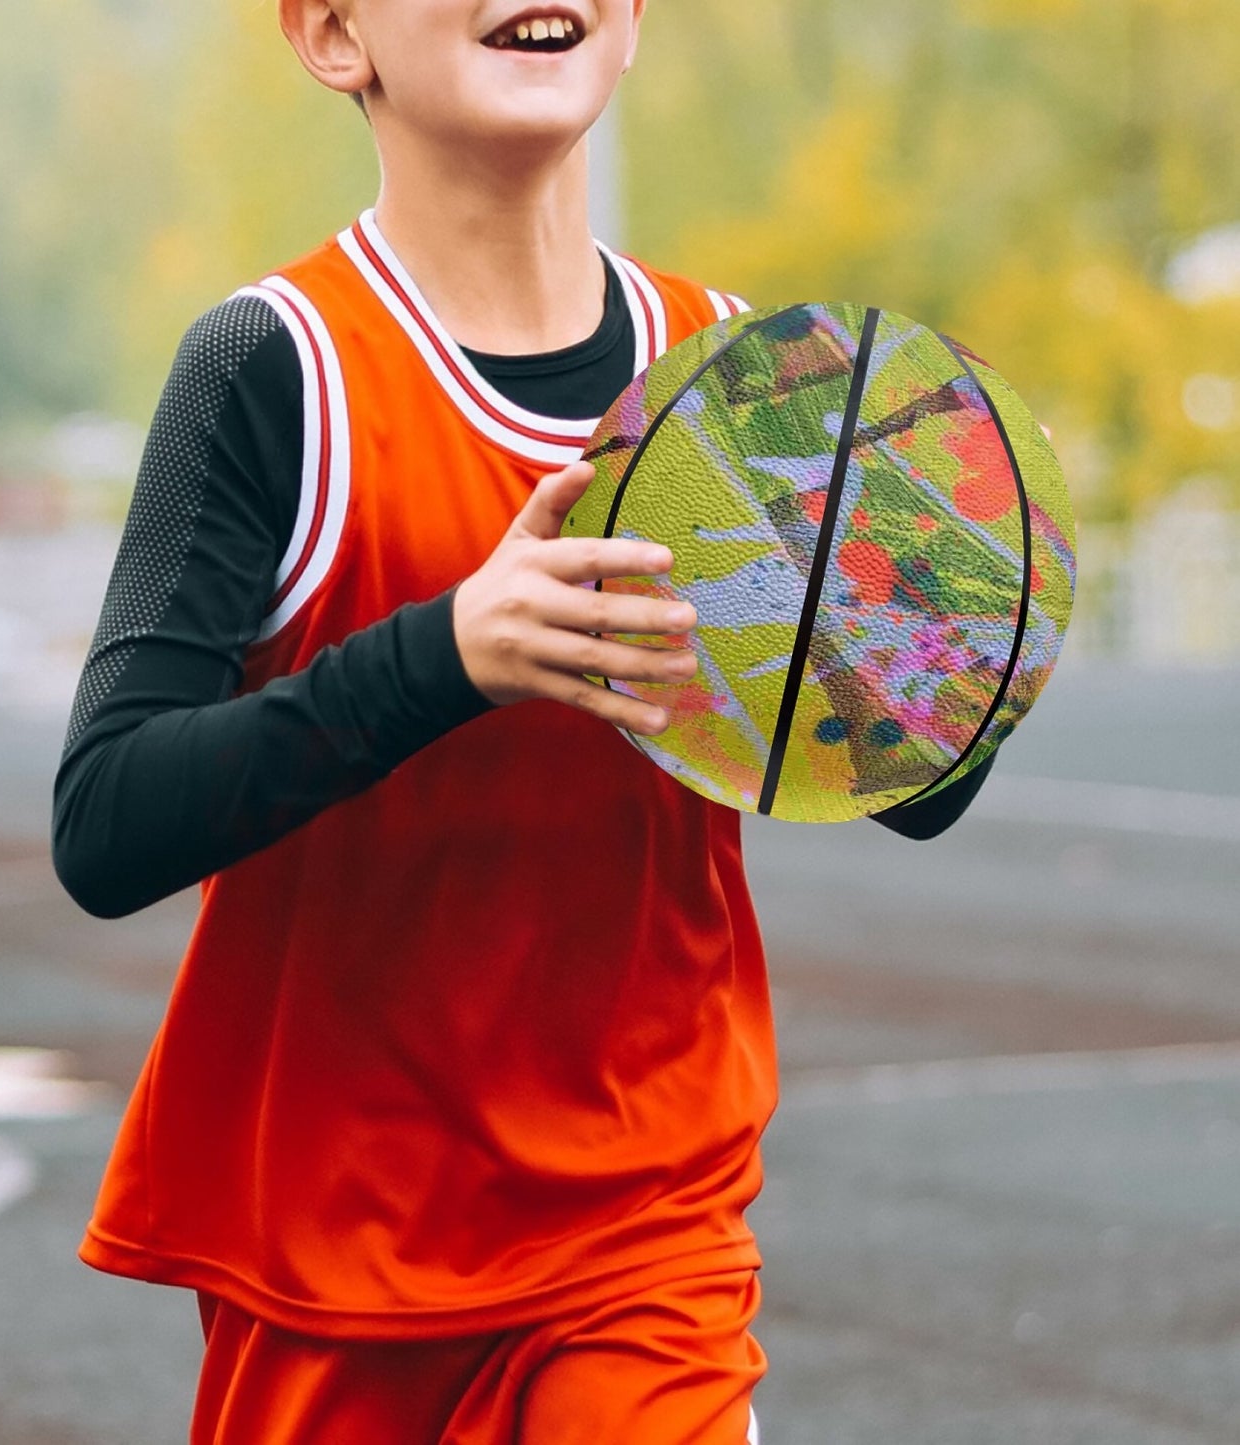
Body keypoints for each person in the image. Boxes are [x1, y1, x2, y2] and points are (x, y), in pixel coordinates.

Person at [52, 2, 997, 1440]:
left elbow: (917, 785)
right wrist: (446, 653)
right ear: (329, 35)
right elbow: (106, 821)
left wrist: (952, 625)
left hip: (644, 1225)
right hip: (335, 1243)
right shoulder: (273, 367)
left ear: (626, 28)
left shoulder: (738, 380)